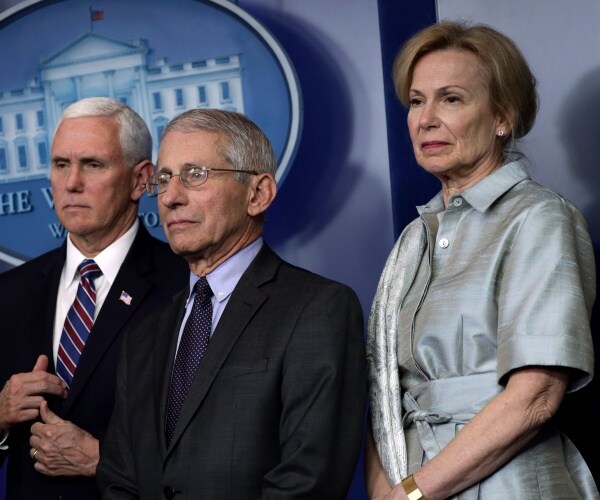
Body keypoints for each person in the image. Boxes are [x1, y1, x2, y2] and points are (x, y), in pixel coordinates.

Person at [365, 21, 598, 499]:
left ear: (502, 118)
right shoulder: (414, 239)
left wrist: (412, 494)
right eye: (415, 101)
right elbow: (384, 395)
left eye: (451, 98)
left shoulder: (539, 217)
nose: (425, 118)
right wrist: (387, 492)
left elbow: (535, 397)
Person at [96, 108, 367, 498]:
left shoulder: (318, 310)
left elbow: (307, 481)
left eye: (195, 175)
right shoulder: (144, 335)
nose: (170, 197)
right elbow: (119, 478)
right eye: (166, 178)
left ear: (258, 194)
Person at [0, 97, 188, 500]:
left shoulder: (186, 288)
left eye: (93, 165)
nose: (71, 183)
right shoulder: (11, 292)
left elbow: (217, 455)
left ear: (142, 180)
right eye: (61, 165)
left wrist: (101, 460)